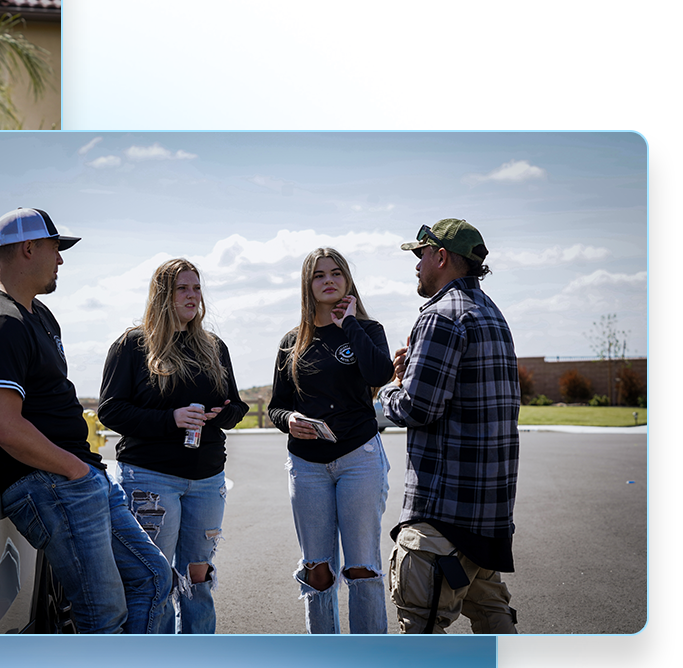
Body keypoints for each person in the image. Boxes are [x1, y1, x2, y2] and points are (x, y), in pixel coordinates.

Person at [0, 208, 173, 634]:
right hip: (54, 484)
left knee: (153, 579)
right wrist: (76, 471)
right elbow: (4, 426)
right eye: (57, 249)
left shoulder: (38, 315)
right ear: (28, 249)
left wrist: (86, 472)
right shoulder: (0, 325)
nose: (61, 260)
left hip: (80, 478)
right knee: (102, 617)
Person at [382, 220, 520, 633]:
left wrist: (392, 387)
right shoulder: (493, 315)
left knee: (422, 630)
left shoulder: (441, 317)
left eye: (420, 254)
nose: (417, 264)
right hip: (488, 518)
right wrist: (417, 372)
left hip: (442, 518)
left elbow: (416, 408)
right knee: (494, 622)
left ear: (441, 257)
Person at [99, 259, 247, 632]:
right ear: (163, 295)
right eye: (183, 288)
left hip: (208, 479)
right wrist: (172, 419)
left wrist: (223, 415)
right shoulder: (133, 345)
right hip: (151, 478)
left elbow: (236, 404)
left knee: (198, 577)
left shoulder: (214, 346)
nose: (192, 296)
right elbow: (111, 411)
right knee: (156, 578)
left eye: (196, 288)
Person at [268, 248, 394, 633]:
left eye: (336, 273)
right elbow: (277, 406)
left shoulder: (368, 330)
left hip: (359, 458)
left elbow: (380, 372)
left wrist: (350, 324)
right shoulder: (292, 341)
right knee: (317, 569)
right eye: (319, 275)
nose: (329, 280)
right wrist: (289, 420)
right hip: (308, 466)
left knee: (361, 567)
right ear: (308, 286)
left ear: (348, 281)